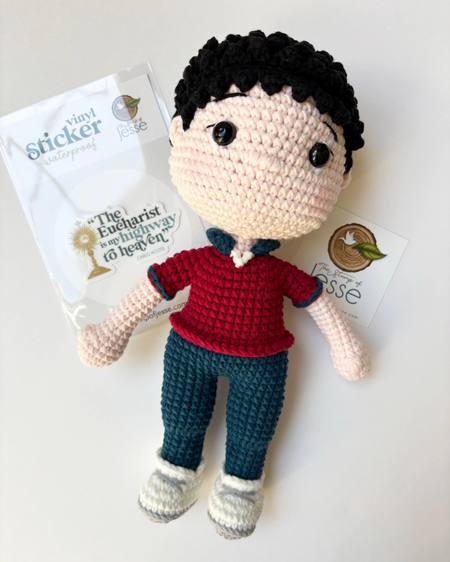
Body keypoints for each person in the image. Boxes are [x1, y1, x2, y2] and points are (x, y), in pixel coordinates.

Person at [78, 30, 370, 540]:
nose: (266, 167)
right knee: (181, 414)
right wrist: (113, 329)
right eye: (224, 132)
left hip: (261, 361)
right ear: (180, 132)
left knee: (253, 431)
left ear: (340, 177)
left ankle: (241, 483)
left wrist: (344, 345)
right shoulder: (198, 261)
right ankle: (176, 467)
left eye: (318, 156)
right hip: (191, 347)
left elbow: (317, 301)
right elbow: (157, 285)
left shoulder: (280, 273)